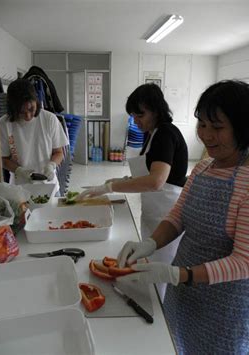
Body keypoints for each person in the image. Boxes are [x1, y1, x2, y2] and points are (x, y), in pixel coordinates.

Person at [115, 80, 249, 354]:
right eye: (202, 124)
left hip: (224, 309)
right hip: (183, 293)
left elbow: (245, 262)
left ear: (242, 127)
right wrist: (151, 243)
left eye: (217, 127)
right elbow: (178, 216)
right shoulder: (203, 168)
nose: (206, 135)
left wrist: (179, 273)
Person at [77, 83, 188, 301]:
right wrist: (122, 180)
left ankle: (160, 314)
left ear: (156, 110)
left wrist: (110, 187)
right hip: (153, 210)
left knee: (160, 268)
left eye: (140, 114)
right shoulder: (152, 133)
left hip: (167, 211)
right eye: (133, 115)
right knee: (150, 260)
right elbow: (149, 172)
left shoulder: (165, 134)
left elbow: (156, 181)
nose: (136, 120)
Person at [0, 78, 69, 194]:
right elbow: (3, 159)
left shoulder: (49, 119)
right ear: (13, 109)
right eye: (21, 112)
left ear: (36, 101)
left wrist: (51, 165)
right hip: (19, 189)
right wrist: (18, 170)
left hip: (49, 187)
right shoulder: (4, 124)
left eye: (31, 109)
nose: (28, 115)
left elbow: (59, 152)